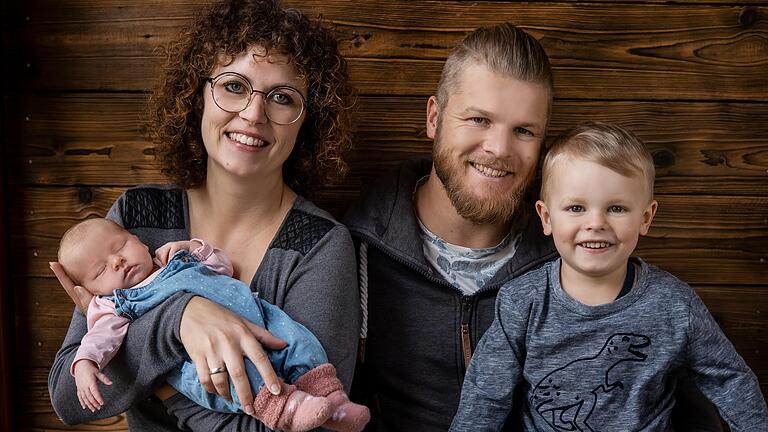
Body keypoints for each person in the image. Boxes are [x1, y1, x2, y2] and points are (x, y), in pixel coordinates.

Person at [344, 23, 724, 431]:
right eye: (478, 119)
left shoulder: (581, 256)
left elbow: (682, 399)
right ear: (434, 118)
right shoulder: (356, 250)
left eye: (523, 130)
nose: (499, 149)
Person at [47, 0, 360, 430]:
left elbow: (312, 425)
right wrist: (180, 318)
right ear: (197, 95)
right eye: (234, 86)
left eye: (282, 97)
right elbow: (71, 399)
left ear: (309, 120)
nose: (253, 114)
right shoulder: (137, 217)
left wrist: (165, 380)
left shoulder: (320, 245)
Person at [449, 121, 768, 431]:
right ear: (547, 217)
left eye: (616, 208)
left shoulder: (674, 305)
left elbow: (730, 378)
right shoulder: (522, 302)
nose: (596, 223)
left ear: (646, 218)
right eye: (576, 208)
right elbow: (486, 395)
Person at [58, 218, 369, 432]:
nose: (117, 261)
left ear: (139, 240)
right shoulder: (114, 304)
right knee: (237, 379)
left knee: (299, 339)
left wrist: (193, 248)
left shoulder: (170, 259)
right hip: (205, 364)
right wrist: (86, 362)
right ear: (92, 292)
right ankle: (285, 409)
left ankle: (333, 400)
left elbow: (222, 267)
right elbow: (99, 340)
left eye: (121, 246)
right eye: (100, 271)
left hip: (259, 316)